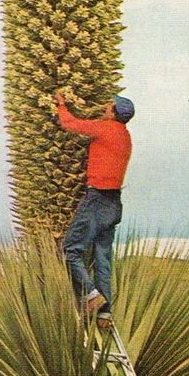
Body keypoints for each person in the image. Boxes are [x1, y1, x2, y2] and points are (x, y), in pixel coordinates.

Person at [54, 90, 134, 327]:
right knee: (102, 258)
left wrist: (61, 104)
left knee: (70, 248)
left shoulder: (106, 128)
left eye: (109, 106)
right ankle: (105, 314)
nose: (105, 107)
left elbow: (69, 124)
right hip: (114, 203)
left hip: (97, 198)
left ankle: (91, 295)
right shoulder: (125, 136)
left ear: (113, 113)